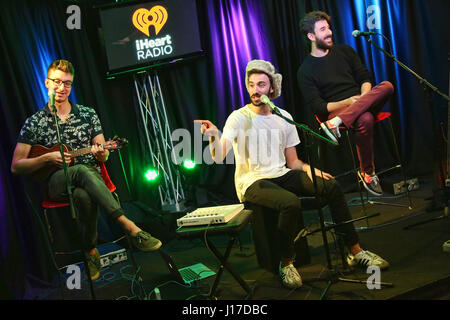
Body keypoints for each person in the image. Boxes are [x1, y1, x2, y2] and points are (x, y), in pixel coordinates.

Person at [195, 59, 388, 289]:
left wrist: (311, 170)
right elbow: (218, 156)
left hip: (282, 173)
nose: (255, 90)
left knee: (331, 186)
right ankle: (286, 263)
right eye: (251, 85)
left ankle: (355, 251)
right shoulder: (238, 117)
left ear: (272, 88)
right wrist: (213, 135)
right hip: (253, 181)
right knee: (290, 203)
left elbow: (293, 162)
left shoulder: (283, 116)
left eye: (261, 85)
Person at [11, 60, 162, 280]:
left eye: (67, 83)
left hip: (91, 179)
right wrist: (45, 158)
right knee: (81, 171)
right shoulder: (34, 122)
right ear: (46, 82)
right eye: (57, 82)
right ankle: (129, 227)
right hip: (57, 182)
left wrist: (103, 153)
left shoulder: (87, 114)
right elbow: (16, 165)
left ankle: (90, 251)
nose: (62, 88)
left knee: (83, 194)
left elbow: (104, 151)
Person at [297, 11, 395, 196]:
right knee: (364, 118)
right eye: (323, 29)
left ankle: (337, 123)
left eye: (329, 27)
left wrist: (363, 98)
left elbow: (364, 77)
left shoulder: (345, 51)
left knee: (388, 86)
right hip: (336, 109)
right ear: (311, 36)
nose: (330, 32)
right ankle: (368, 173)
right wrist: (348, 102)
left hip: (360, 102)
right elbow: (318, 106)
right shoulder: (305, 71)